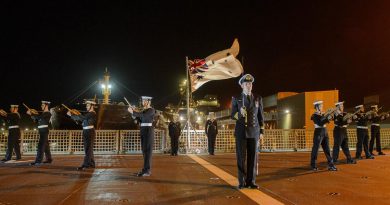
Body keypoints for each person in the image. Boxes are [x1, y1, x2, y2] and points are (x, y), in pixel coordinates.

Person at [231, 74, 264, 189]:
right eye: (246, 84)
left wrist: (262, 132)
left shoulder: (258, 98)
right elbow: (232, 116)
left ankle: (251, 181)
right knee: (241, 158)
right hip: (241, 132)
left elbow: (260, 116)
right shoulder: (236, 98)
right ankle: (241, 181)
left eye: (250, 83)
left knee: (253, 158)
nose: (249, 85)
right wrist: (240, 113)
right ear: (242, 85)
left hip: (254, 132)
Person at [128, 96, 155, 177]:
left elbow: (143, 116)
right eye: (143, 101)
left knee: (148, 152)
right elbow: (138, 120)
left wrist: (133, 112)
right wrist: (133, 115)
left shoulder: (151, 110)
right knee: (144, 151)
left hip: (148, 131)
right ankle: (145, 169)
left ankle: (147, 171)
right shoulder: (144, 111)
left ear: (149, 102)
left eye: (144, 101)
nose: (143, 102)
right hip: (143, 130)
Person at [67, 101, 97, 170]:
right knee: (89, 149)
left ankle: (85, 165)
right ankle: (91, 164)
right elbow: (81, 119)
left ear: (92, 106)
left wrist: (71, 115)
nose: (86, 107)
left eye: (88, 105)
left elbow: (82, 118)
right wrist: (75, 115)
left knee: (88, 149)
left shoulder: (92, 113)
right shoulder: (89, 114)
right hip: (86, 131)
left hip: (89, 132)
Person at [310, 100, 337, 171]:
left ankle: (331, 165)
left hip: (325, 131)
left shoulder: (323, 114)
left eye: (322, 105)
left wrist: (331, 114)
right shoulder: (314, 115)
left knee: (327, 149)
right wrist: (327, 117)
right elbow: (320, 123)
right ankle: (313, 165)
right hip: (318, 132)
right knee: (315, 149)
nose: (322, 107)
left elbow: (329, 119)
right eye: (320, 106)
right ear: (317, 107)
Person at [28, 101, 53, 165]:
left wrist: (32, 114)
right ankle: (49, 159)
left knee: (41, 146)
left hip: (44, 131)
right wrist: (32, 115)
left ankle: (38, 161)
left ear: (46, 106)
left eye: (42, 105)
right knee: (46, 146)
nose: (41, 106)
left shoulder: (48, 113)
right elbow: (37, 120)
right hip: (42, 130)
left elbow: (40, 118)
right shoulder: (43, 113)